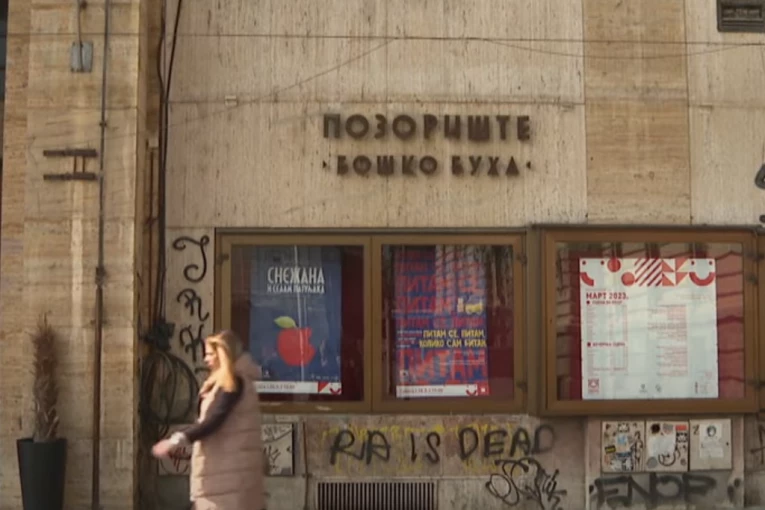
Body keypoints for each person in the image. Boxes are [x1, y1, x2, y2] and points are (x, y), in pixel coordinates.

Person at [152, 330, 266, 510]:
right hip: (228, 471)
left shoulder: (233, 382)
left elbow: (214, 420)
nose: (206, 359)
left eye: (210, 354)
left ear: (223, 355)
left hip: (228, 473)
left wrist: (177, 440)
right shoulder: (229, 381)